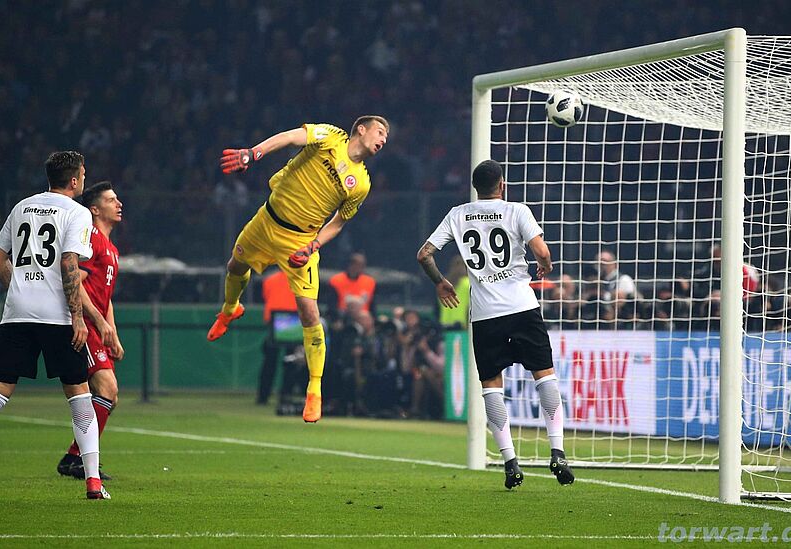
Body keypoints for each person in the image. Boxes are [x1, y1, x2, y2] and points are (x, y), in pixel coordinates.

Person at [0, 151, 112, 500]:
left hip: (18, 314)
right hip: (57, 316)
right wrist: (78, 317)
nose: (84, 179)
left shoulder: (22, 206)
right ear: (74, 180)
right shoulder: (78, 213)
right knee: (79, 395)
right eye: (83, 174)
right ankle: (93, 482)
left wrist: (20, 288)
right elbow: (69, 262)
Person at [207, 116, 390, 423]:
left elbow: (338, 222)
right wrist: (253, 153)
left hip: (299, 240)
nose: (383, 139)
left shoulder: (361, 183)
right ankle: (230, 309)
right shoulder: (331, 136)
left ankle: (314, 390)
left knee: (309, 311)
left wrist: (313, 246)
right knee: (235, 265)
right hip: (267, 219)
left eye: (386, 137)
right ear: (361, 129)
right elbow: (290, 137)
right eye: (380, 132)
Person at [416, 159, 574, 489]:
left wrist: (440, 282)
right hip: (522, 307)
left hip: (485, 315)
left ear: (476, 187)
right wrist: (545, 265)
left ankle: (510, 462)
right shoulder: (517, 210)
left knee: (491, 386)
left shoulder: (458, 214)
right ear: (502, 185)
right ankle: (557, 452)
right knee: (544, 375)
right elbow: (542, 251)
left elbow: (424, 254)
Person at [57, 181, 125, 480]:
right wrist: (95, 321)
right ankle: (78, 460)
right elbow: (77, 283)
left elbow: (105, 296)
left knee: (109, 396)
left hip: (98, 327)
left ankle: (74, 458)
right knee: (107, 389)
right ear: (95, 209)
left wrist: (112, 332)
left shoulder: (112, 248)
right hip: (83, 324)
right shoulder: (91, 240)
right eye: (111, 200)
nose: (118, 204)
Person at [257, 268, 299, 405]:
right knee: (290, 360)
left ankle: (263, 396)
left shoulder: (270, 279)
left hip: (276, 320)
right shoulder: (301, 278)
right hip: (292, 320)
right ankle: (285, 394)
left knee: (270, 361)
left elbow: (266, 296)